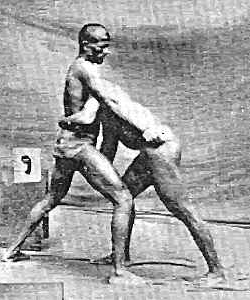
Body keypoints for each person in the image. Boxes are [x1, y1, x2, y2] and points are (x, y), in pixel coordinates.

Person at [57, 25, 226, 285]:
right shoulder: (100, 105)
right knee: (124, 197)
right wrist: (102, 174)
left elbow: (127, 110)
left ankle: (217, 272)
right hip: (148, 153)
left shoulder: (107, 97)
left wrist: (148, 128)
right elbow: (109, 147)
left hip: (159, 150)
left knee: (182, 209)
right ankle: (120, 257)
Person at [1, 23, 160, 285]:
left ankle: (11, 251)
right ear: (86, 45)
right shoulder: (84, 69)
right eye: (102, 44)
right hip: (78, 146)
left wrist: (71, 119)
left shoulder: (86, 70)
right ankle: (119, 271)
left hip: (68, 144)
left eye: (108, 44)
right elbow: (105, 105)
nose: (106, 51)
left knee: (53, 197)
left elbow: (87, 113)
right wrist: (146, 128)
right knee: (123, 198)